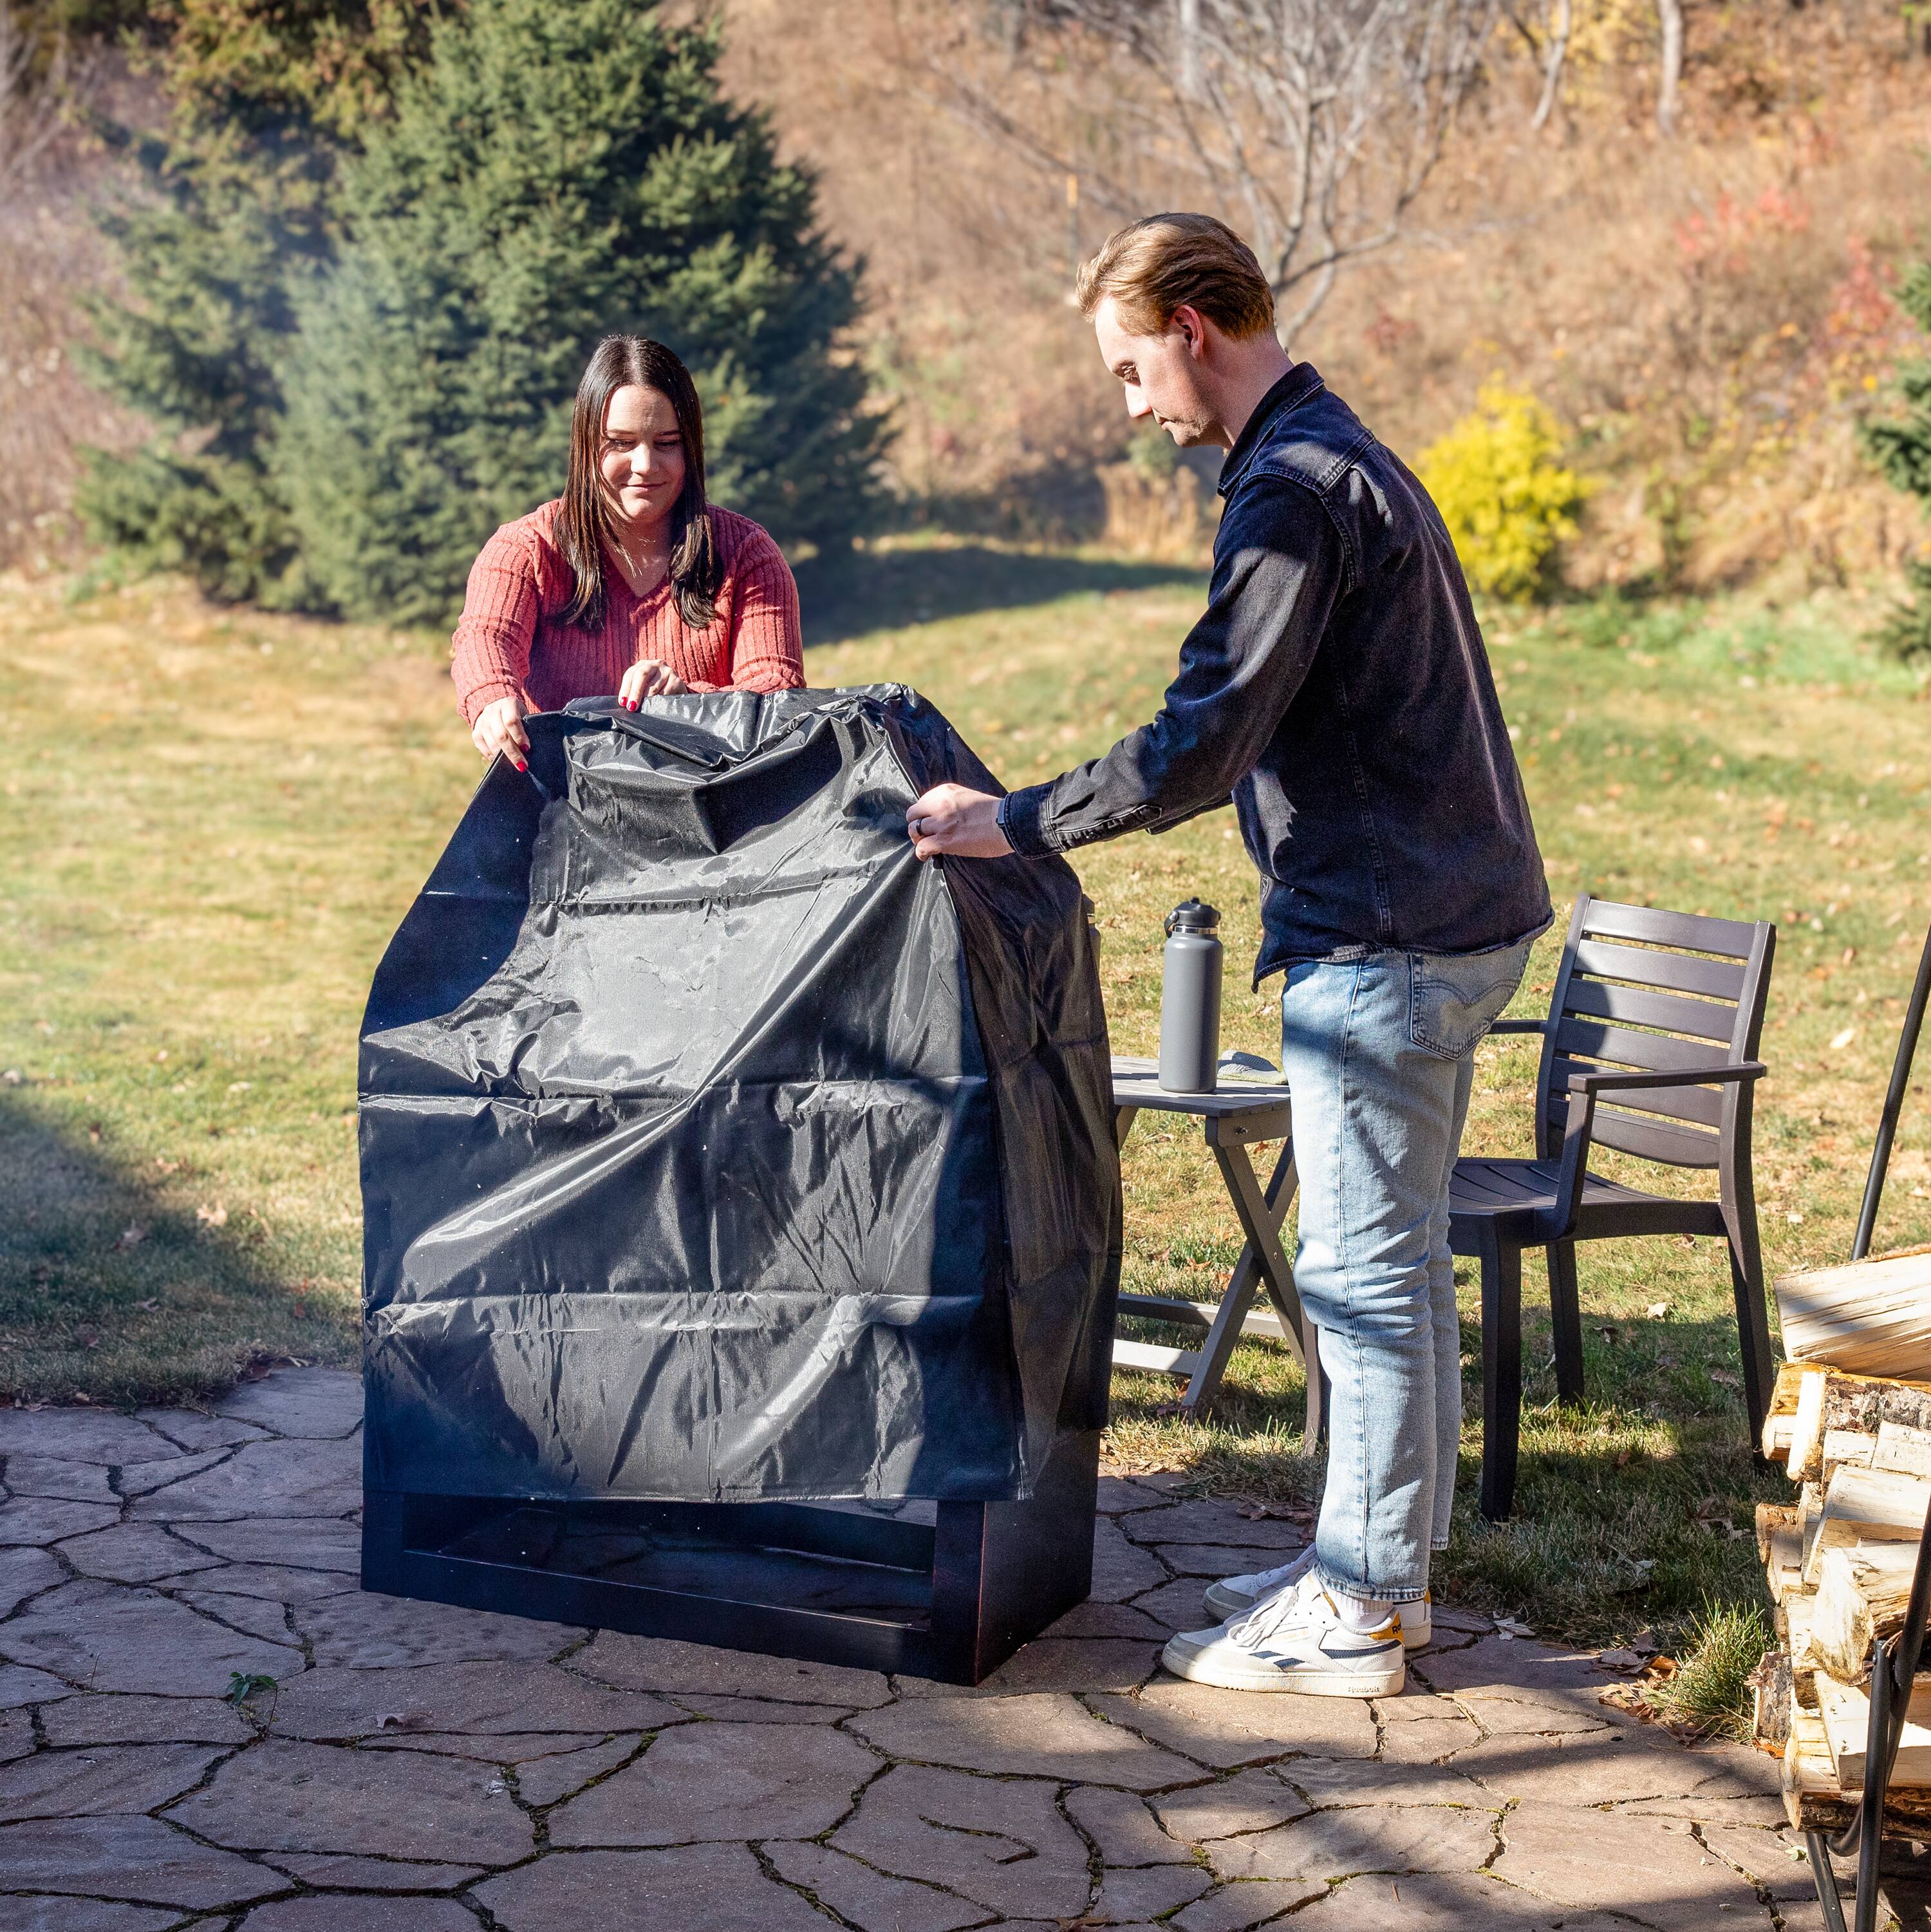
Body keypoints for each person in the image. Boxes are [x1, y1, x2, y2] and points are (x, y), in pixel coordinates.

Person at [905, 213, 1551, 1699]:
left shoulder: (1290, 492)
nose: (1131, 410)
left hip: (1386, 932)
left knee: (1363, 1281)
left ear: (1193, 326)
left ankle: (1363, 1602)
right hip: (1451, 911)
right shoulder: (1340, 451)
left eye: (1131, 372)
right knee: (1385, 1274)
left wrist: (1008, 821)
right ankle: (1370, 1567)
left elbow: (1201, 740)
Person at [452, 335, 805, 767]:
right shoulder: (525, 549)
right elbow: (485, 636)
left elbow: (778, 696)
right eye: (620, 443)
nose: (645, 465)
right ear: (585, 446)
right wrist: (492, 697)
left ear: (691, 447)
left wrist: (688, 701)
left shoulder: (748, 554)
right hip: (566, 817)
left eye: (667, 443)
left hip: (711, 819)